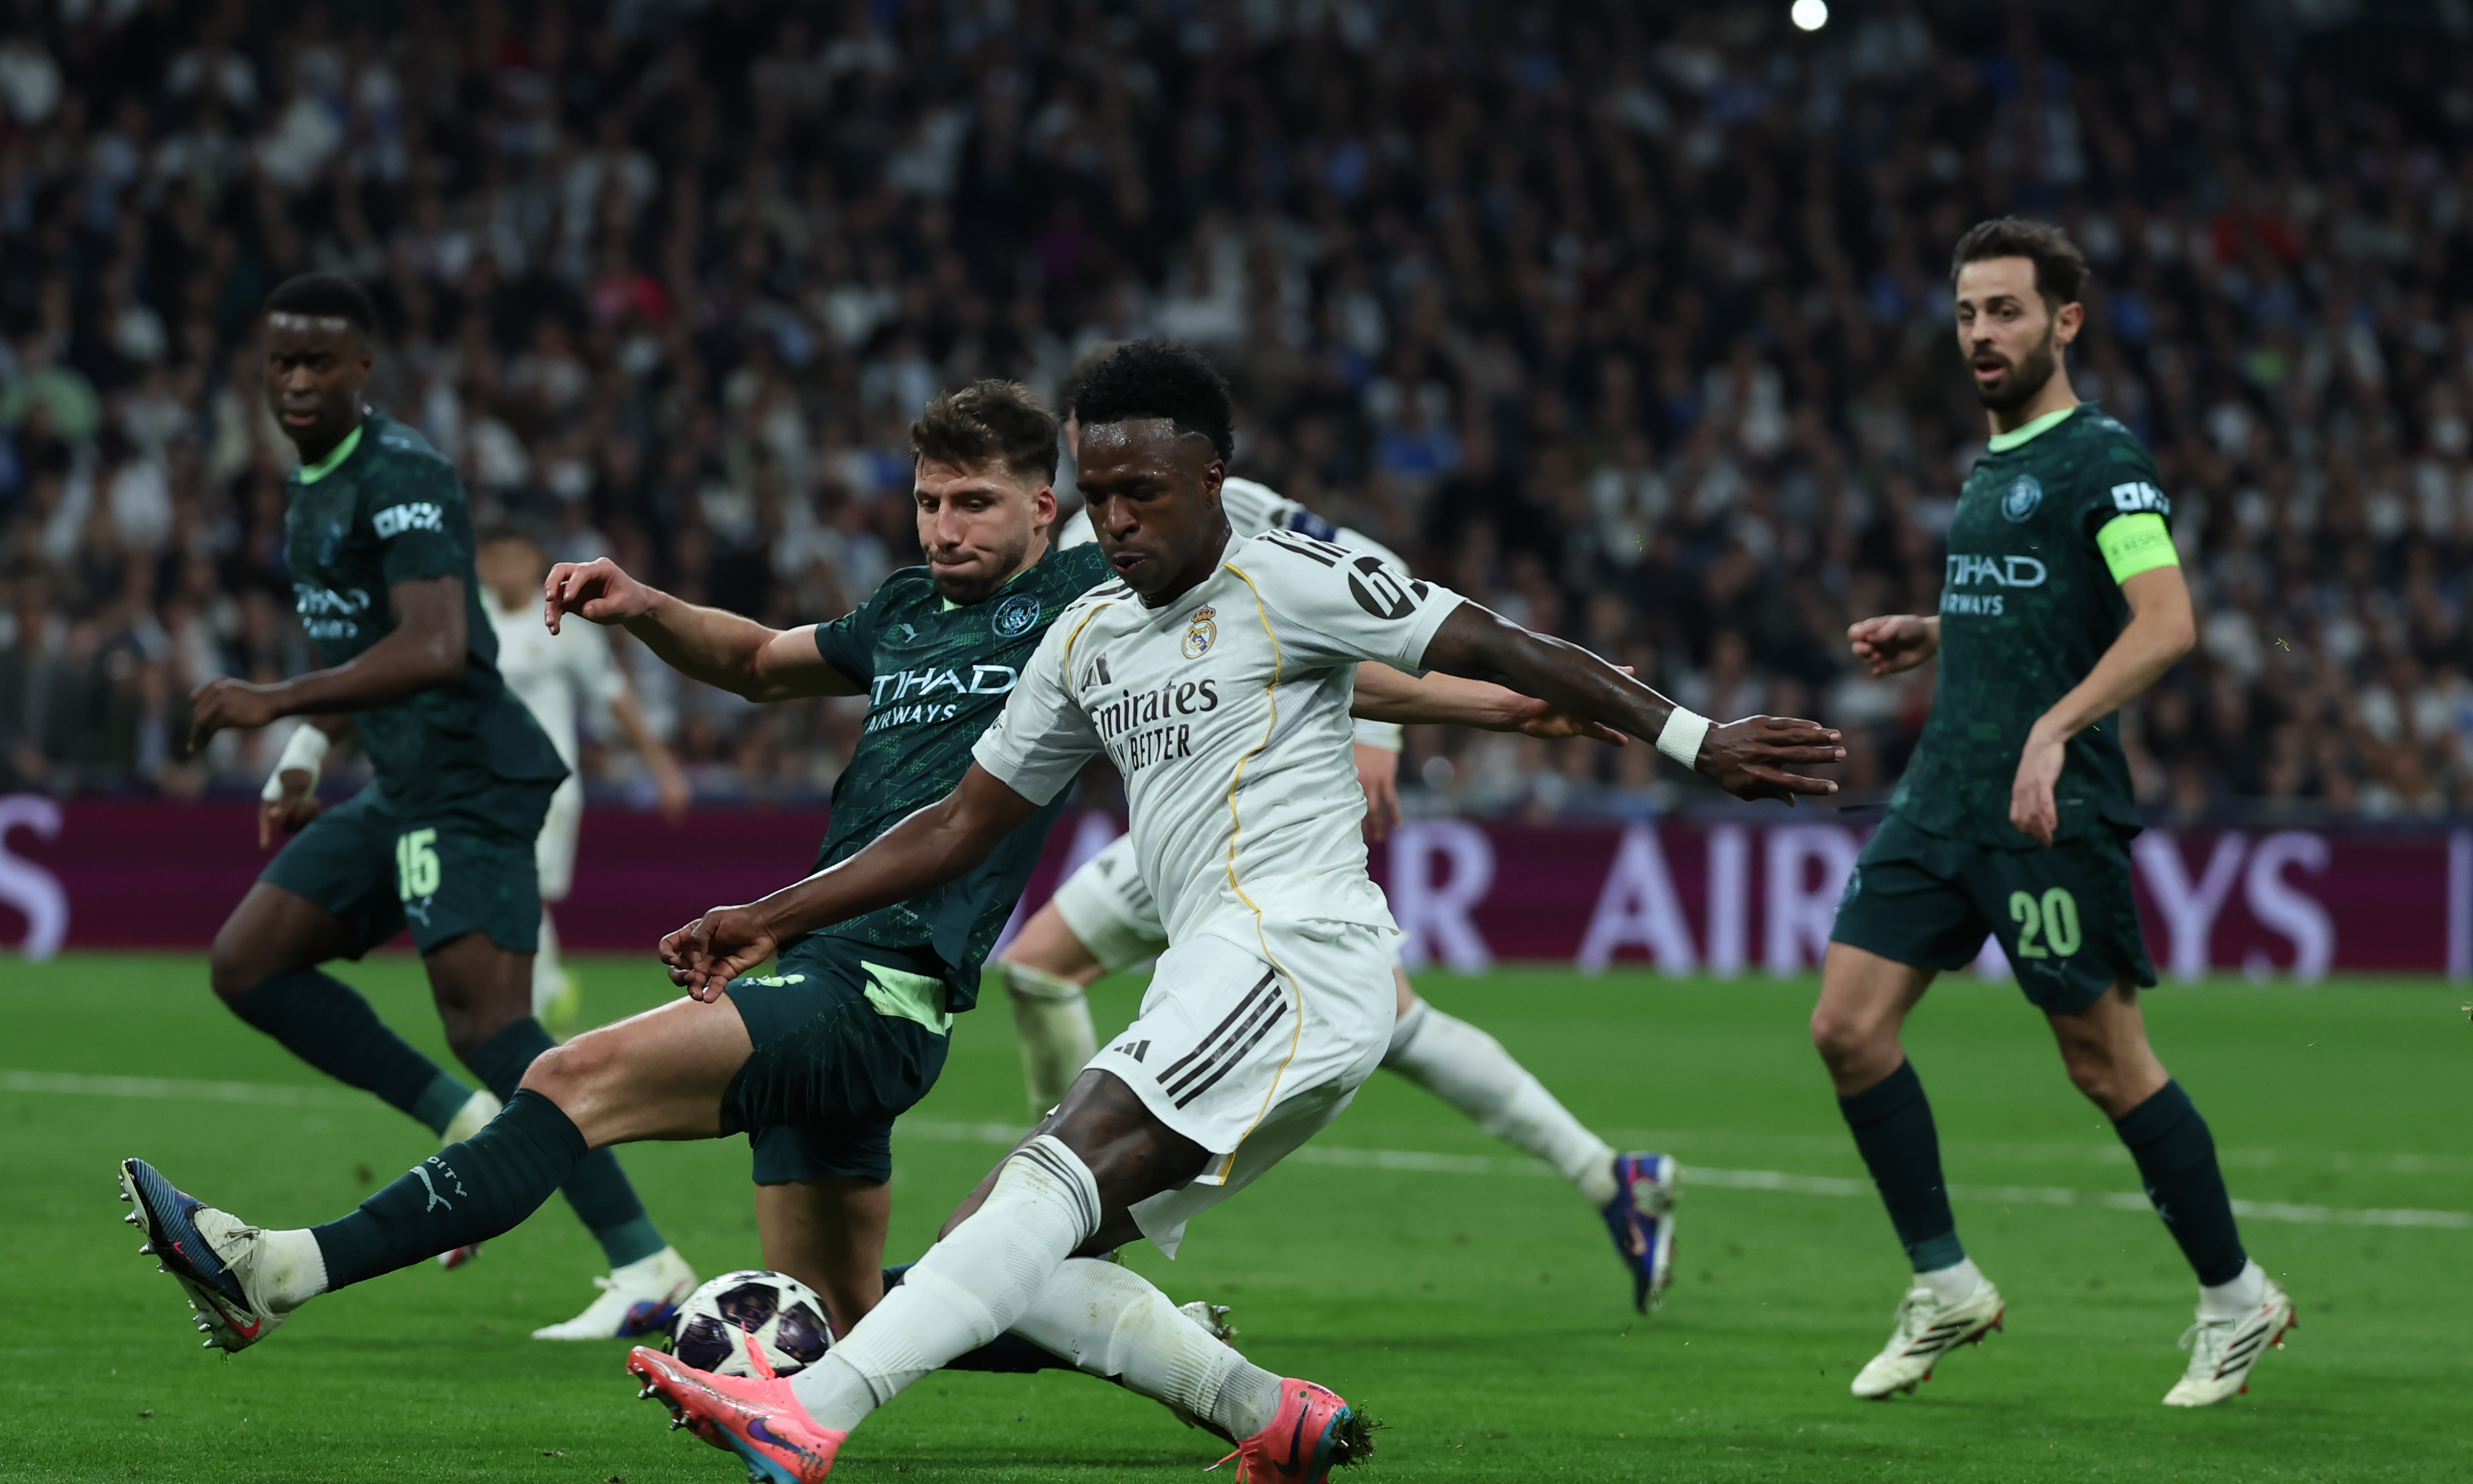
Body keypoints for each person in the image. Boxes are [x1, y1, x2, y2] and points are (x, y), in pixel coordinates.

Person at [117, 375, 1590, 1399]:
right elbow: (759, 659)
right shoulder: (900, 609)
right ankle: (1195, 1361)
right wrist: (641, 611)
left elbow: (1319, 649)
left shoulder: (1097, 610)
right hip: (844, 986)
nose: (943, 528)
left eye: (972, 503)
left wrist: (1497, 705)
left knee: (571, 1076)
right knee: (870, 1319)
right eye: (927, 500)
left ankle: (285, 1268)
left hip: (870, 977)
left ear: (1042, 506)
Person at [614, 342, 1841, 1484]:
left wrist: (1695, 739)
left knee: (1051, 1176)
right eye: (1098, 496)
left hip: (1297, 959)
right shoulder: (1085, 637)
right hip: (1213, 972)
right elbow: (953, 828)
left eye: (1143, 492)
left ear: (1214, 483)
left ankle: (806, 1410)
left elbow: (1501, 643)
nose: (1119, 520)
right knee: (1005, 1246)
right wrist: (765, 915)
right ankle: (1273, 1416)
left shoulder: (1287, 579)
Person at [999, 466, 1679, 1311]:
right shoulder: (1058, 561)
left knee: (1052, 969)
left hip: (1259, 801)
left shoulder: (1207, 506)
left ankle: (1057, 1216)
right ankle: (1612, 1177)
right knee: (1042, 969)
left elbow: (1366, 572)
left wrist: (1376, 735)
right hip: (1180, 815)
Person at [1817, 218, 2293, 1408]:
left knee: (2105, 1062)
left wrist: (2052, 726)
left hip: (2046, 814)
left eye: (2008, 311)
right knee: (1848, 1027)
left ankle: (2237, 1297)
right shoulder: (1995, 459)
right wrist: (1940, 632)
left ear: (2064, 321)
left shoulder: (2104, 462)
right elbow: (2037, 601)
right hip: (1940, 800)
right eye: (1970, 312)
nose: (1983, 333)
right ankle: (1945, 1284)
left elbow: (2165, 620)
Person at [180, 273, 698, 1344]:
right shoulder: (310, 484)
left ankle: (646, 1261)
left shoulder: (402, 471)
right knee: (249, 962)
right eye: (282, 361)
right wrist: (308, 749)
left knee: (496, 1027)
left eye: (321, 361)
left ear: (364, 368)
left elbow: (429, 646)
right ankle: (461, 1117)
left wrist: (275, 703)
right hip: (401, 784)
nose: (298, 380)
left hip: (469, 777)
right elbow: (359, 654)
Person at [473, 525, 690, 1037]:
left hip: (548, 785)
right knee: (504, 888)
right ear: (481, 563)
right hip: (480, 783)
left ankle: (531, 997)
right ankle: (541, 990)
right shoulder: (465, 616)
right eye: (495, 557)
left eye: (516, 556)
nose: (505, 568)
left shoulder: (563, 625)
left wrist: (662, 765)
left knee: (519, 886)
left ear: (535, 561)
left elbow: (613, 695)